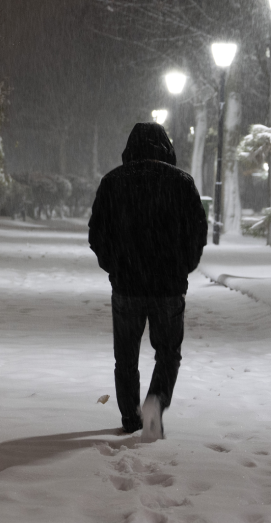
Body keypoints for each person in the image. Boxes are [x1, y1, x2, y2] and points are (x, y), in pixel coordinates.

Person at [88, 122, 207, 442]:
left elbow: (97, 234)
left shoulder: (113, 182)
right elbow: (197, 233)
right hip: (168, 286)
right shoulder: (182, 183)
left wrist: (115, 267)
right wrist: (182, 266)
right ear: (166, 147)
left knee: (125, 355)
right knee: (168, 352)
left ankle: (130, 416)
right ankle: (155, 402)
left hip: (127, 285)